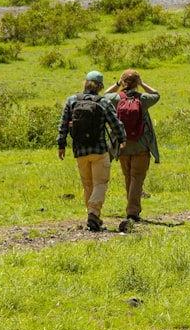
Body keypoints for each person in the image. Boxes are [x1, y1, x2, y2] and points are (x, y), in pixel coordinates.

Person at [58, 70, 127, 232]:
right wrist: (122, 139)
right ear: (100, 86)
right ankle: (94, 214)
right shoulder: (103, 102)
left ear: (85, 84)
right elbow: (115, 123)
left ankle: (92, 214)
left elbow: (62, 125)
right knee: (100, 183)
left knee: (87, 184)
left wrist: (61, 145)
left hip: (80, 150)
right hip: (99, 150)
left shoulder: (72, 101)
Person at [106, 69, 160, 233]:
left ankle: (131, 207)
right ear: (137, 83)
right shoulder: (143, 99)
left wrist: (117, 84)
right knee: (138, 177)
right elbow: (157, 94)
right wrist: (142, 84)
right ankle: (132, 211)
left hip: (122, 144)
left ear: (123, 82)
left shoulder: (116, 98)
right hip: (141, 144)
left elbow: (105, 94)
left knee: (128, 176)